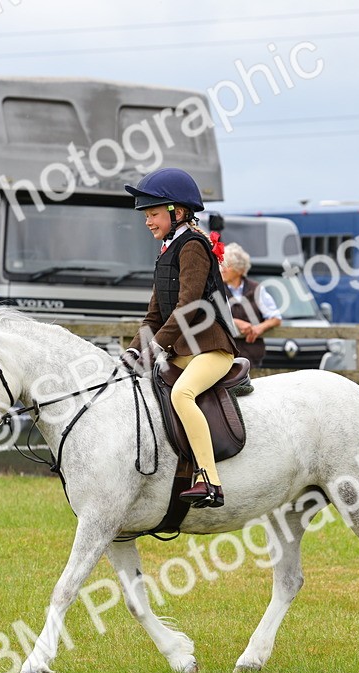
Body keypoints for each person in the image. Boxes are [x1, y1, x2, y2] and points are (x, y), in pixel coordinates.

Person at [121, 167, 238, 508]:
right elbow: (154, 315)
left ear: (179, 212)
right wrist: (133, 350)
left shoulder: (193, 247)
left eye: (153, 213)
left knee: (183, 395)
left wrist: (157, 345)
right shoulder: (167, 251)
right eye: (146, 214)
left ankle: (210, 480)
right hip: (183, 349)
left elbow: (188, 305)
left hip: (211, 348)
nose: (147, 221)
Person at [218, 242, 282, 367]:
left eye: (227, 265)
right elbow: (210, 317)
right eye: (221, 264)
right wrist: (236, 322)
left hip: (252, 357)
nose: (222, 269)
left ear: (240, 269)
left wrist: (260, 328)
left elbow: (276, 318)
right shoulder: (216, 289)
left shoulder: (256, 289)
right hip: (224, 356)